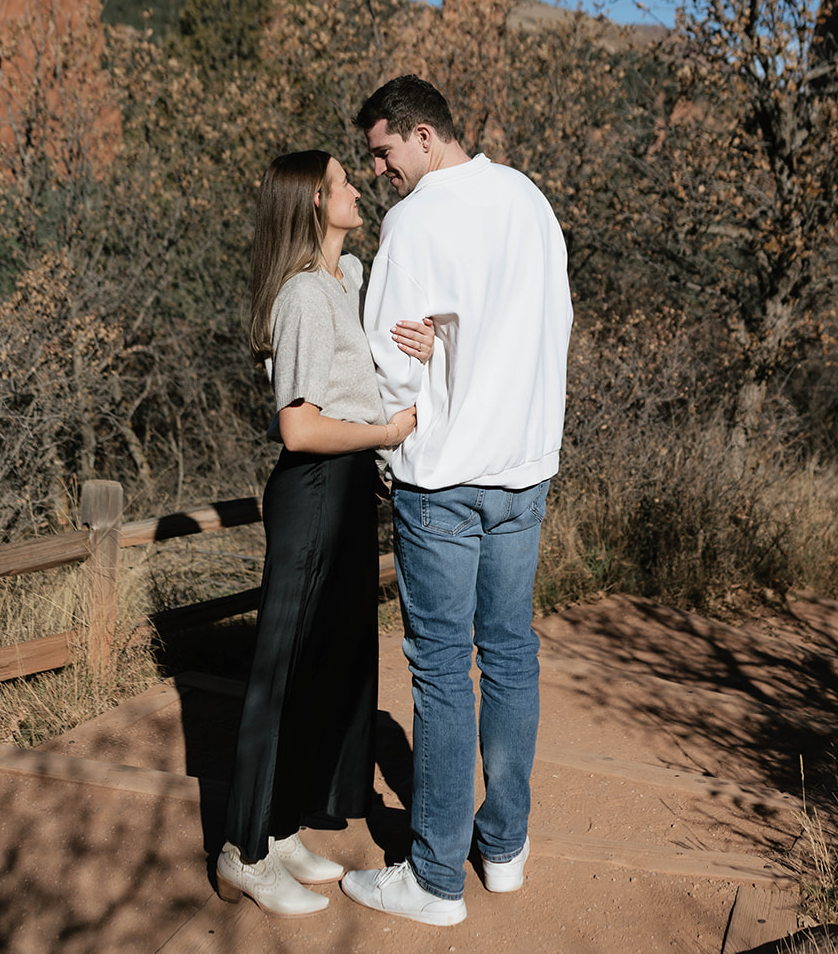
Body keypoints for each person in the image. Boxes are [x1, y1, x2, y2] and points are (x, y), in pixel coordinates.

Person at [340, 77, 573, 928]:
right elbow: (553, 324)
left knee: (442, 672)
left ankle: (435, 879)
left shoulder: (417, 220)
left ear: (425, 135)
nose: (380, 170)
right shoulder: (528, 201)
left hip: (442, 480)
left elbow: (388, 367)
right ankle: (501, 850)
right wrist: (456, 342)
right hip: (523, 468)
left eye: (384, 150)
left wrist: (426, 349)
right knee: (509, 654)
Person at [216, 148, 433, 917]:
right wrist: (383, 432)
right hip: (313, 490)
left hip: (347, 495)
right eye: (341, 183)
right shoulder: (306, 295)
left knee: (324, 669)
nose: (355, 189)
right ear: (313, 202)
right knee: (282, 673)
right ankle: (242, 850)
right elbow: (299, 427)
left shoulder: (349, 279)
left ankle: (277, 830)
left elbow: (383, 350)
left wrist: (423, 353)